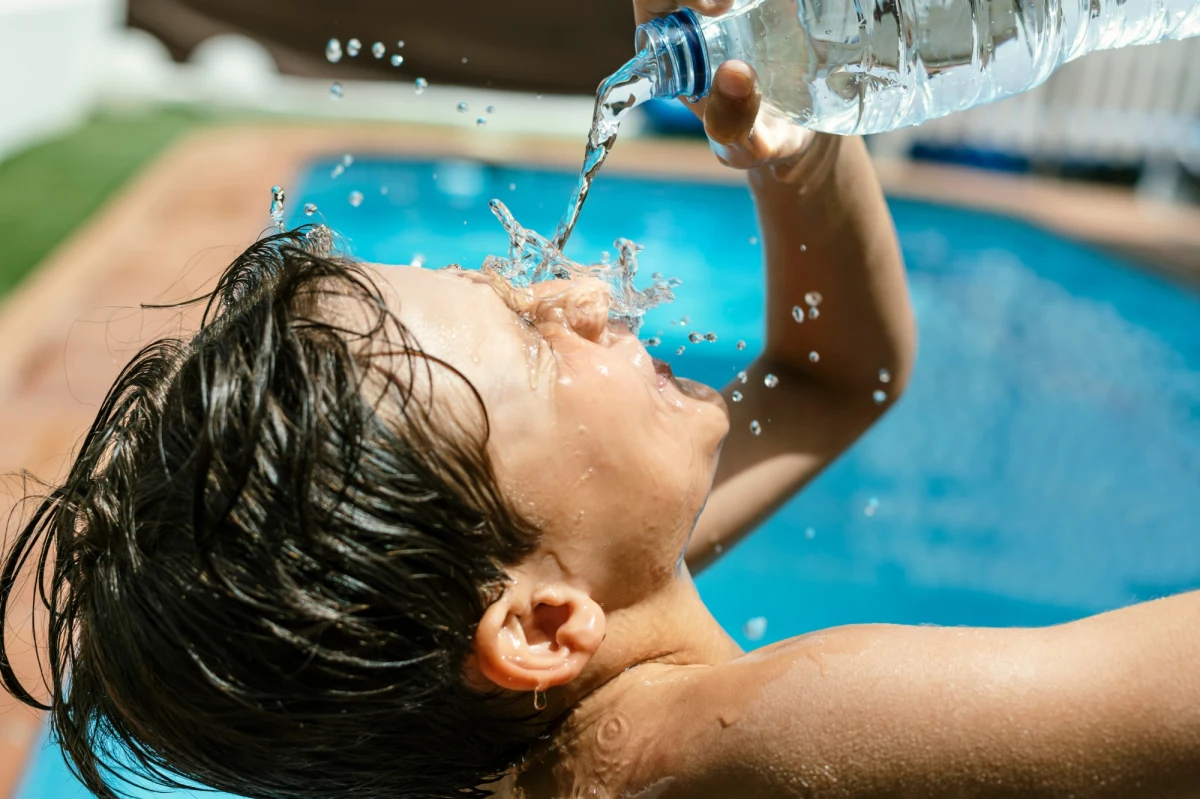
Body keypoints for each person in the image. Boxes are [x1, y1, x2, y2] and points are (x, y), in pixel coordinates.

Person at [3, 1, 1199, 797]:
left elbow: (841, 377)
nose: (577, 287)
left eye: (515, 283)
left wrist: (791, 136)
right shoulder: (779, 740)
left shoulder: (526, 676)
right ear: (535, 627)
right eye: (533, 336)